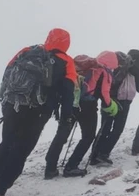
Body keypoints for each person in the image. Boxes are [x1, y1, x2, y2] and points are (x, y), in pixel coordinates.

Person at [0, 28, 76, 196]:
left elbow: (7, 74)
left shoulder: (27, 51)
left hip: (13, 105)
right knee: (20, 151)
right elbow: (68, 92)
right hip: (38, 112)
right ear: (66, 43)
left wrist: (6, 102)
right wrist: (66, 117)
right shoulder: (66, 61)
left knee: (7, 144)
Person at [44, 51, 119, 179]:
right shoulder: (103, 71)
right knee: (88, 136)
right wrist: (111, 106)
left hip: (70, 102)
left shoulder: (82, 65)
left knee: (62, 134)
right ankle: (71, 166)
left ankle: (50, 168)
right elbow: (104, 94)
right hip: (87, 107)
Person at [90, 50, 139, 166]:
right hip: (124, 101)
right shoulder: (137, 69)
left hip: (109, 99)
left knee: (105, 128)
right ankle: (103, 154)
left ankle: (95, 155)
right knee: (117, 129)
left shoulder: (117, 63)